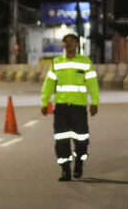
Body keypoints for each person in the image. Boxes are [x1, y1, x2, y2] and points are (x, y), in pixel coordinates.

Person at [41, 34, 100, 181]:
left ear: (77, 44)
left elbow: (92, 83)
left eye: (72, 41)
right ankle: (65, 170)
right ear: (63, 45)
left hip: (78, 108)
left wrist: (95, 102)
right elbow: (48, 84)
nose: (68, 44)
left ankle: (79, 162)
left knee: (82, 140)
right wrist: (44, 102)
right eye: (65, 41)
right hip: (61, 107)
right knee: (61, 140)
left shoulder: (85, 62)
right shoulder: (56, 62)